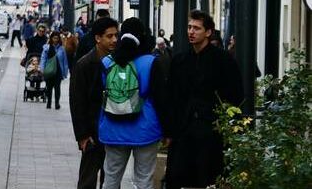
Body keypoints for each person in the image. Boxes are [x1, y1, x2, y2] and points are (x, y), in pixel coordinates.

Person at [164, 10, 243, 189]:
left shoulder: (223, 60)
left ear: (208, 32)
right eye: (190, 27)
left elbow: (235, 94)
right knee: (178, 176)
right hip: (184, 129)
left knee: (208, 177)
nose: (191, 32)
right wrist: (170, 129)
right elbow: (171, 96)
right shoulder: (180, 61)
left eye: (197, 28)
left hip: (211, 131)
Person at [98, 18, 171, 189]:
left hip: (113, 128)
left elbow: (98, 96)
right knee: (143, 179)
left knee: (111, 179)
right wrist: (168, 130)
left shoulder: (107, 62)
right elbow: (161, 99)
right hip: (146, 130)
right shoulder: (150, 62)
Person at [69, 16, 119, 189]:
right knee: (87, 180)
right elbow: (77, 102)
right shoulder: (85, 64)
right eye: (109, 36)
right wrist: (82, 135)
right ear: (98, 38)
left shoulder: (119, 63)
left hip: (113, 131)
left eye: (116, 35)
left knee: (111, 181)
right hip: (93, 132)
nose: (114, 40)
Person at [41, 31, 69, 109]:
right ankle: (49, 102)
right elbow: (43, 58)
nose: (55, 40)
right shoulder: (47, 47)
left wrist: (65, 73)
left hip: (58, 71)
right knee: (49, 88)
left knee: (57, 88)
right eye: (54, 38)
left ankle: (57, 103)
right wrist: (42, 69)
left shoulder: (62, 49)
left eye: (57, 38)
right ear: (51, 38)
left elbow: (65, 61)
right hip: (49, 70)